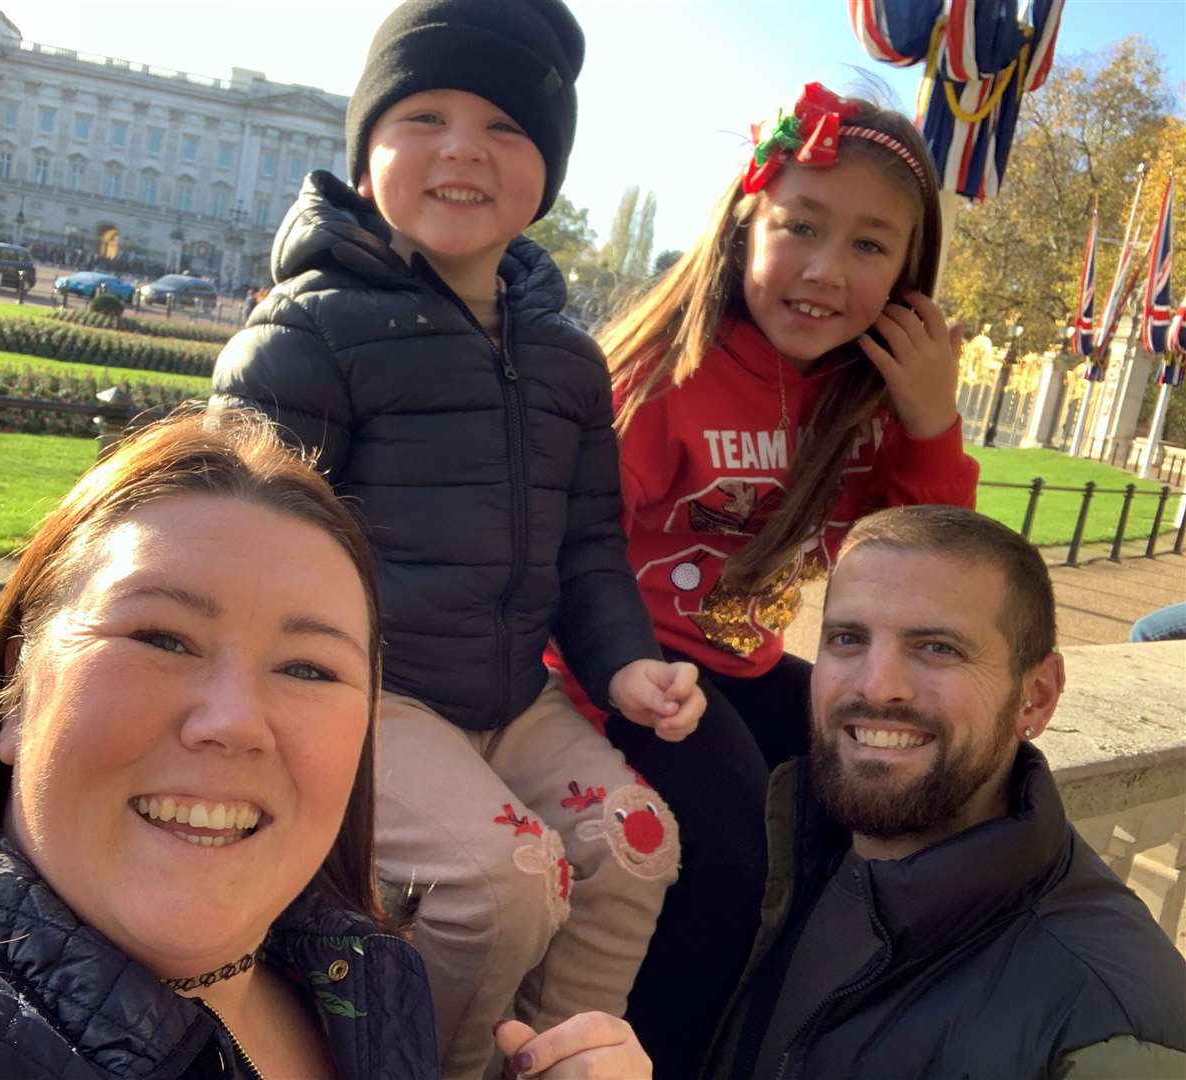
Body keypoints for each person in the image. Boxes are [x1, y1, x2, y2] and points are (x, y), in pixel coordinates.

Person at [213, 2, 705, 1075]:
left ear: (550, 165)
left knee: (636, 842)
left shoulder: (569, 360)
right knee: (500, 884)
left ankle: (561, 1058)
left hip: (508, 698)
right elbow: (233, 547)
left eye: (506, 127)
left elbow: (587, 545)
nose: (461, 150)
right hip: (370, 696)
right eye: (423, 114)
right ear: (367, 145)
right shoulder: (312, 330)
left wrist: (625, 664)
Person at [0, 411, 442, 1079]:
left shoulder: (367, 978)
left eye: (308, 668)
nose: (233, 721)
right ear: (18, 689)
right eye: (161, 639)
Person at [545, 83, 981, 1074]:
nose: (827, 271)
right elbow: (576, 553)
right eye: (801, 227)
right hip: (617, 668)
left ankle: (800, 1028)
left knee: (895, 774)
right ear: (745, 227)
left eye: (871, 245)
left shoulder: (855, 396)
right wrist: (622, 672)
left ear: (910, 276)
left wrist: (928, 424)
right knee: (736, 854)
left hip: (731, 664)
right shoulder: (670, 374)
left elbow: (920, 576)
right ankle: (655, 1058)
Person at [705, 504, 1186, 1079]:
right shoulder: (791, 850)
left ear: (1035, 696)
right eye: (848, 638)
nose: (877, 686)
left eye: (938, 647)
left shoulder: (1108, 1031)